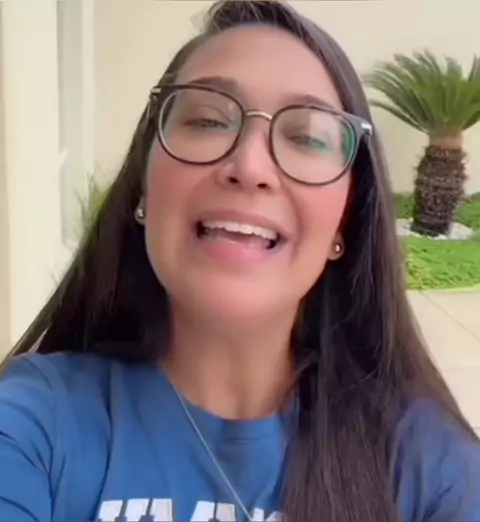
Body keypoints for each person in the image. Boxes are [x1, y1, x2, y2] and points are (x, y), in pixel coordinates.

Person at [1, 1, 479, 521]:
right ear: (144, 188)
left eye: (306, 136)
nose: (250, 166)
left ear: (345, 220)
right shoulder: (33, 424)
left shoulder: (430, 468)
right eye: (208, 120)